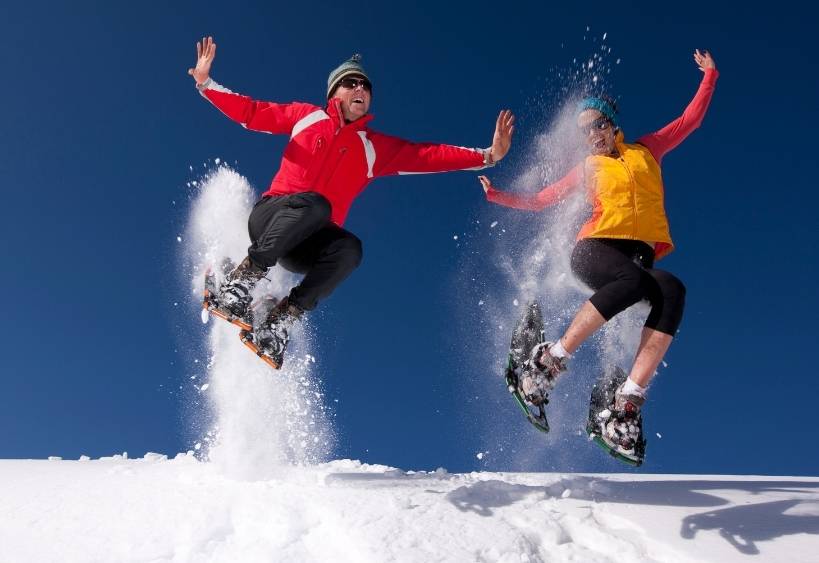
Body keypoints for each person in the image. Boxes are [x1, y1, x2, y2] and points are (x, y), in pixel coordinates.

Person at [189, 36, 515, 367]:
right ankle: (242, 281)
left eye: (366, 86)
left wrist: (487, 155)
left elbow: (426, 155)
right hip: (271, 218)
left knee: (350, 249)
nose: (360, 88)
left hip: (304, 245)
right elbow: (252, 112)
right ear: (334, 93)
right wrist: (206, 84)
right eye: (351, 83)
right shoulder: (307, 116)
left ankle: (281, 319)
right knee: (317, 205)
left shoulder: (373, 147)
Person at [479, 50, 718, 455]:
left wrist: (709, 75)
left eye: (598, 124)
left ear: (612, 125)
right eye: (585, 130)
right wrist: (498, 195)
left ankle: (626, 404)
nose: (592, 134)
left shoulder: (646, 150)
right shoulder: (588, 167)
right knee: (632, 281)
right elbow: (541, 200)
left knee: (672, 290)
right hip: (594, 250)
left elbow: (689, 121)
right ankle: (545, 364)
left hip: (637, 261)